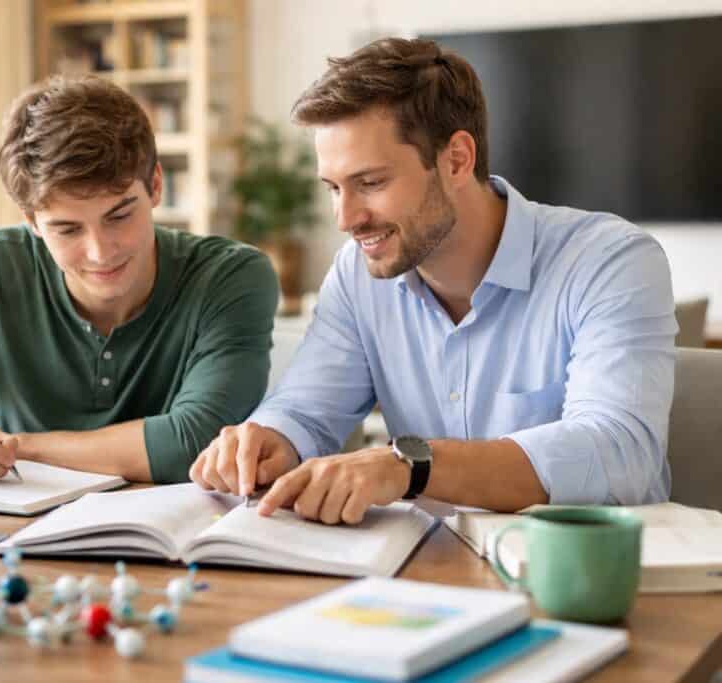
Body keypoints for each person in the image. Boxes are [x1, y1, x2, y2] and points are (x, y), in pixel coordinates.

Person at [190, 38, 677, 522]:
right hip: (429, 572)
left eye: (371, 183)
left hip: (588, 581)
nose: (345, 218)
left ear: (457, 160)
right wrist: (268, 438)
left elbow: (619, 451)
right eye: (335, 188)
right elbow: (304, 410)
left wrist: (410, 467)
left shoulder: (608, 261)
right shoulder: (357, 275)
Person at [0, 75, 278, 485]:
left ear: (156, 185)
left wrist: (14, 448)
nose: (100, 251)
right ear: (31, 221)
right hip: (13, 535)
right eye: (67, 229)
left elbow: (194, 441)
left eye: (119, 215)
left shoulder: (231, 277)